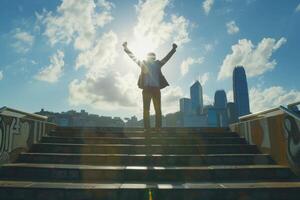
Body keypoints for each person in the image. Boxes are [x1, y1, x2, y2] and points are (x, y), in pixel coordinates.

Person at [123, 42, 177, 131]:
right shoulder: (143, 64)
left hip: (155, 89)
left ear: (155, 58)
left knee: (158, 109)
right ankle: (147, 128)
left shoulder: (158, 64)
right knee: (146, 110)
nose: (151, 58)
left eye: (153, 57)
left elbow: (167, 58)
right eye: (150, 57)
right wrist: (126, 48)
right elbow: (133, 57)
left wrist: (173, 49)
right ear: (147, 58)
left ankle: (158, 128)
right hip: (147, 89)